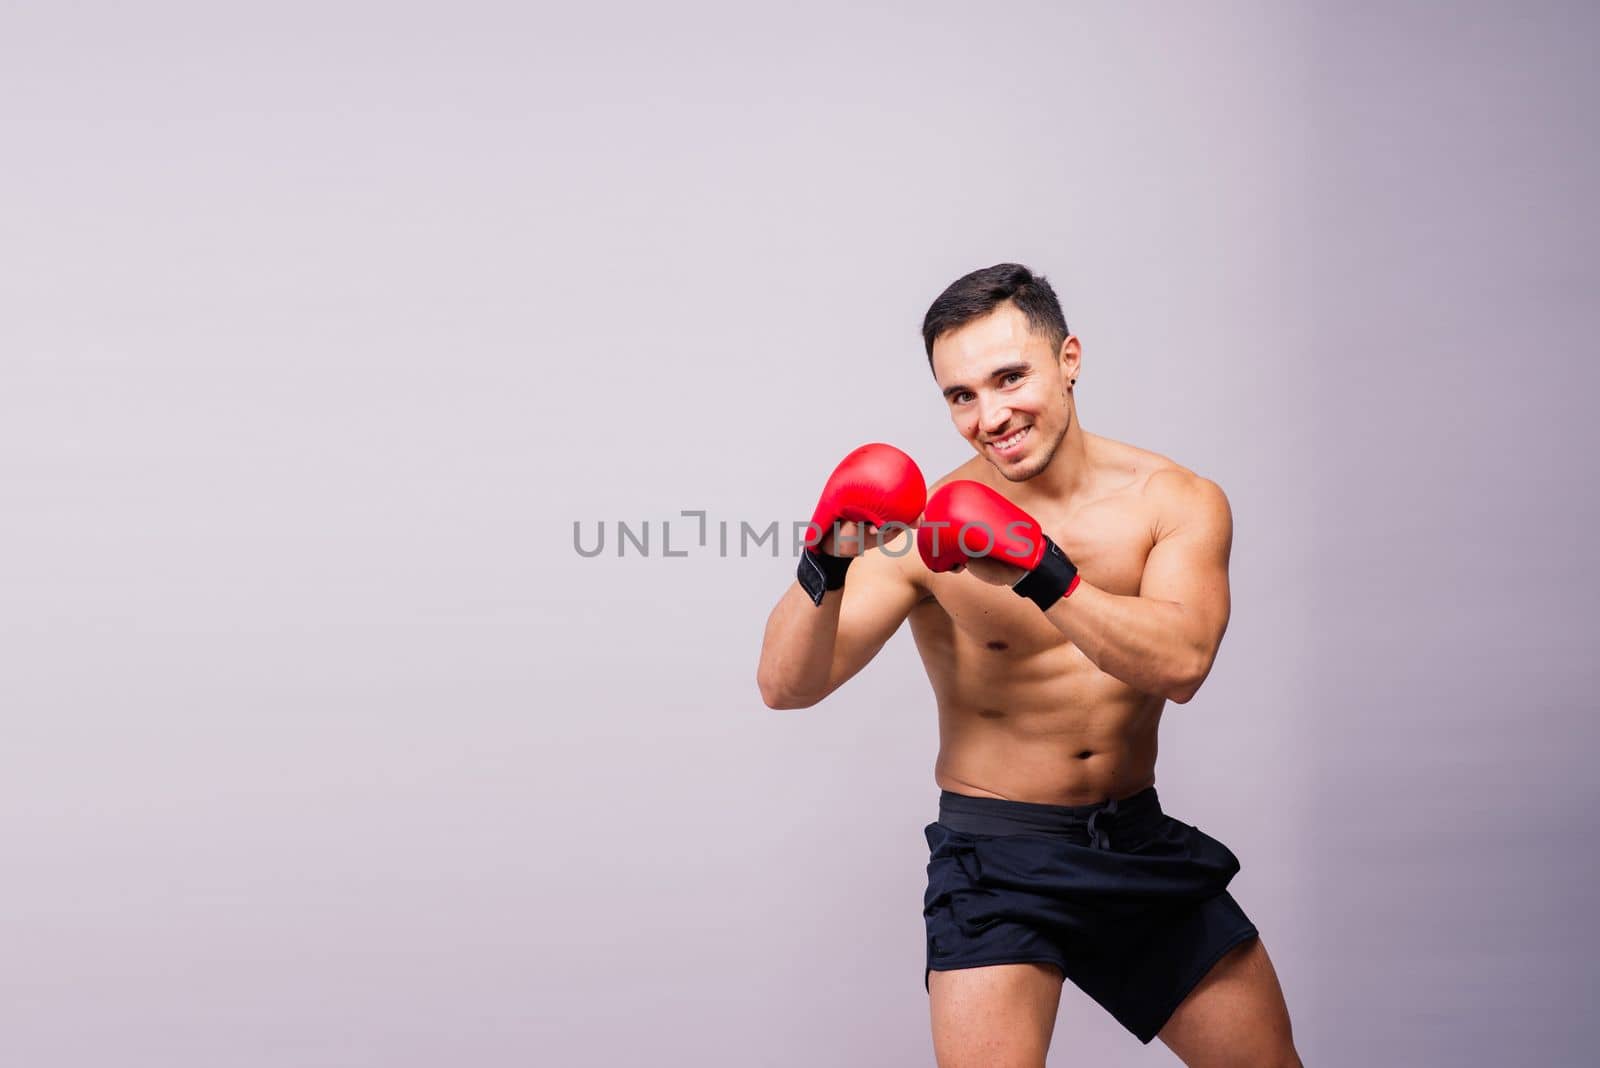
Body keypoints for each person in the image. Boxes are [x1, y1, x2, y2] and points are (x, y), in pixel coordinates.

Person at [756, 264, 1301, 1066]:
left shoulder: (1174, 500)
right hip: (996, 858)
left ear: (1069, 359)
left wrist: (1038, 569)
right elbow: (785, 686)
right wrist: (826, 555)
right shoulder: (924, 530)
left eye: (1010, 378)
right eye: (961, 396)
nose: (990, 416)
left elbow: (1182, 663)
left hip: (1133, 841)